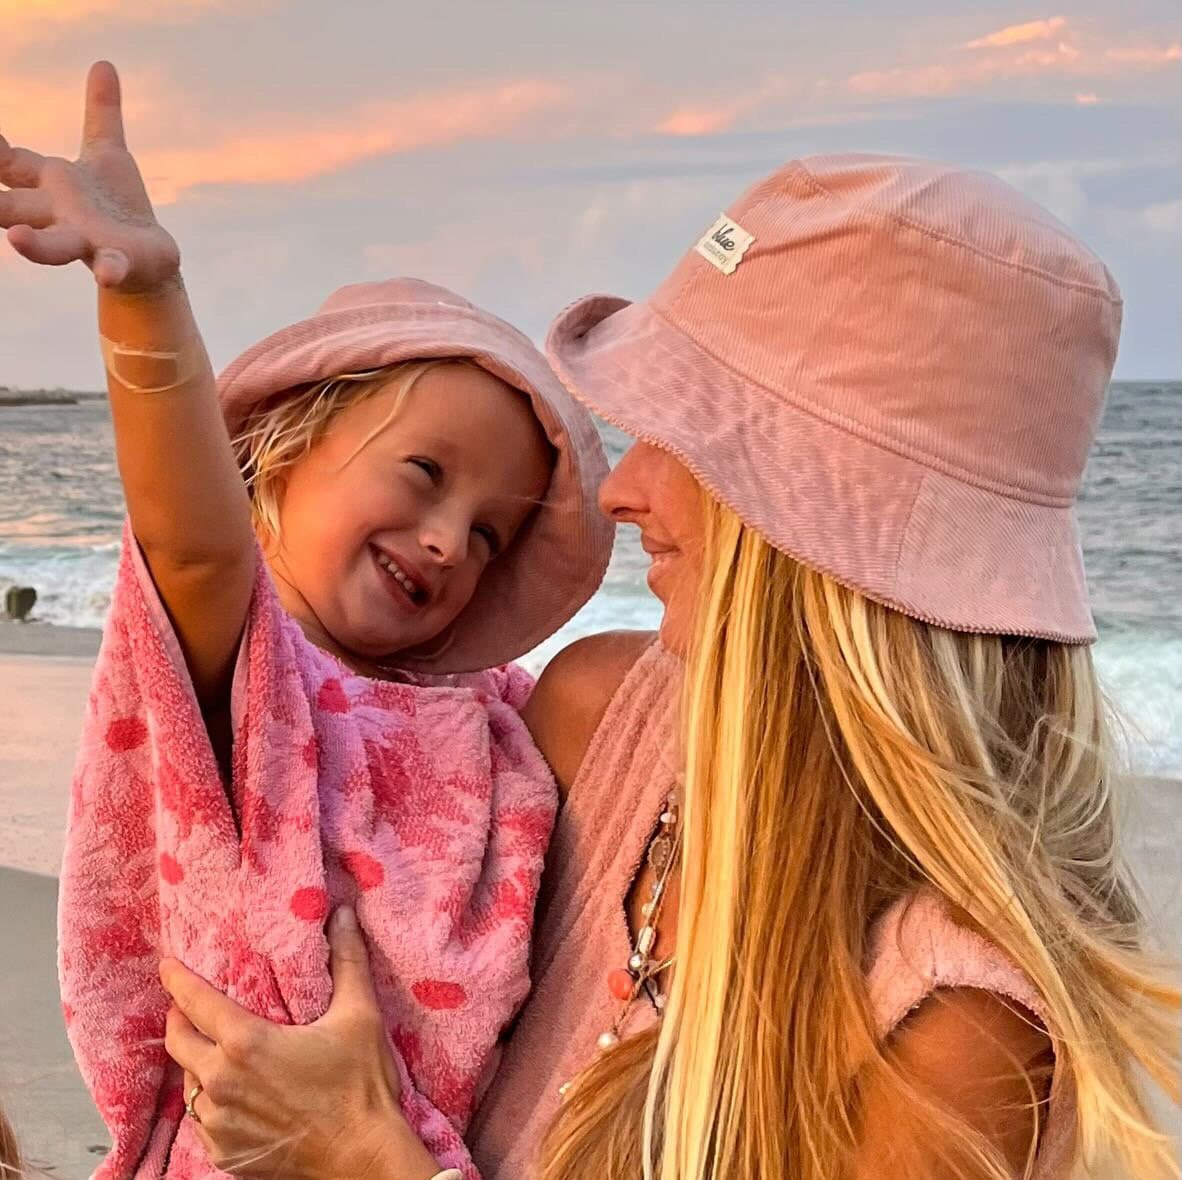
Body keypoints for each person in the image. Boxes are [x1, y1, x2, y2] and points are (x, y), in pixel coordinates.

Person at [157, 156, 1177, 1179]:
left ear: (821, 523)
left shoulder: (958, 1030)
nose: (623, 490)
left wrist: (366, 1161)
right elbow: (275, 742)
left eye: (684, 432)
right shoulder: (593, 719)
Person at [0, 62, 611, 1180]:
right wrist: (144, 301)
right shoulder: (253, 668)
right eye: (424, 472)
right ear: (283, 452)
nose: (446, 539)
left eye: (487, 536)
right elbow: (193, 536)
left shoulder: (489, 714)